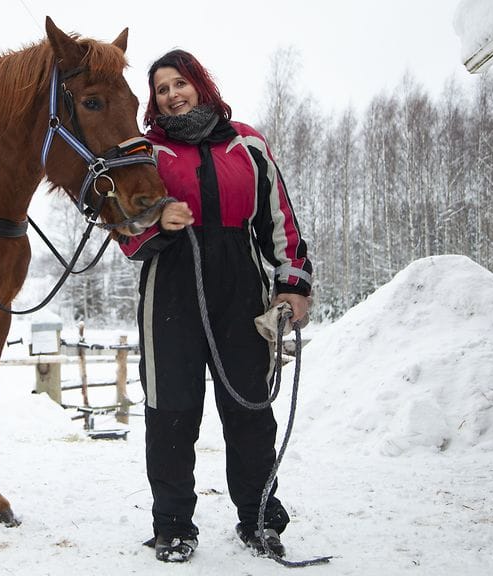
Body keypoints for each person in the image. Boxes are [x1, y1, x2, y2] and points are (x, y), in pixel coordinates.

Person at [119, 49, 313, 563]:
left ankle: (259, 519)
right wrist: (158, 222)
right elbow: (125, 230)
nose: (172, 95)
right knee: (171, 412)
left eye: (179, 83)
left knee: (250, 409)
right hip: (170, 288)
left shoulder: (247, 143)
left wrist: (293, 283)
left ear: (200, 84)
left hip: (241, 288)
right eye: (161, 89)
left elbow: (279, 219)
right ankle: (173, 526)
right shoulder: (146, 152)